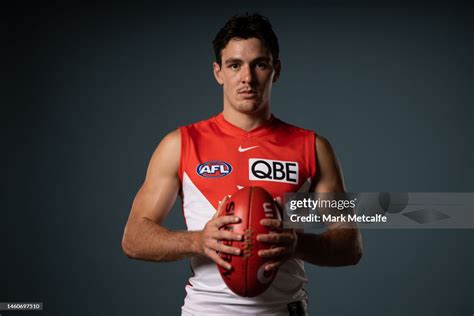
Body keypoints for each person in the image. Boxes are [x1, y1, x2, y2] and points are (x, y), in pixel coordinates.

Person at [122, 13, 362, 316]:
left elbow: (350, 246)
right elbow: (134, 238)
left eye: (259, 64)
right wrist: (199, 240)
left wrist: (296, 243)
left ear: (276, 70)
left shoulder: (313, 147)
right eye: (234, 65)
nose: (247, 77)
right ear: (218, 72)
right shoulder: (180, 144)